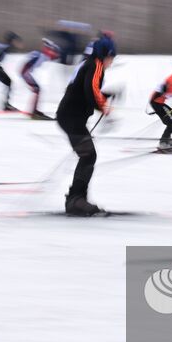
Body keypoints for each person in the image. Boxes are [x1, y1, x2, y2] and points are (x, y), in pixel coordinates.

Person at [55, 34, 115, 215]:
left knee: (87, 155)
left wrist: (104, 98)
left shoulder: (89, 64)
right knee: (88, 156)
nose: (112, 61)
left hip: (70, 117)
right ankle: (76, 200)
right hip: (71, 118)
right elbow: (91, 90)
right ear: (105, 55)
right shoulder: (96, 65)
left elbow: (86, 90)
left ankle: (77, 198)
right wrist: (103, 106)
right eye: (112, 57)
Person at [20, 39, 59, 119]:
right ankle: (34, 112)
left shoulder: (41, 55)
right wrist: (47, 44)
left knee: (37, 90)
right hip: (26, 73)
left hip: (25, 72)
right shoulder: (42, 56)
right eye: (54, 53)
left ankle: (34, 111)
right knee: (37, 89)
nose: (54, 56)